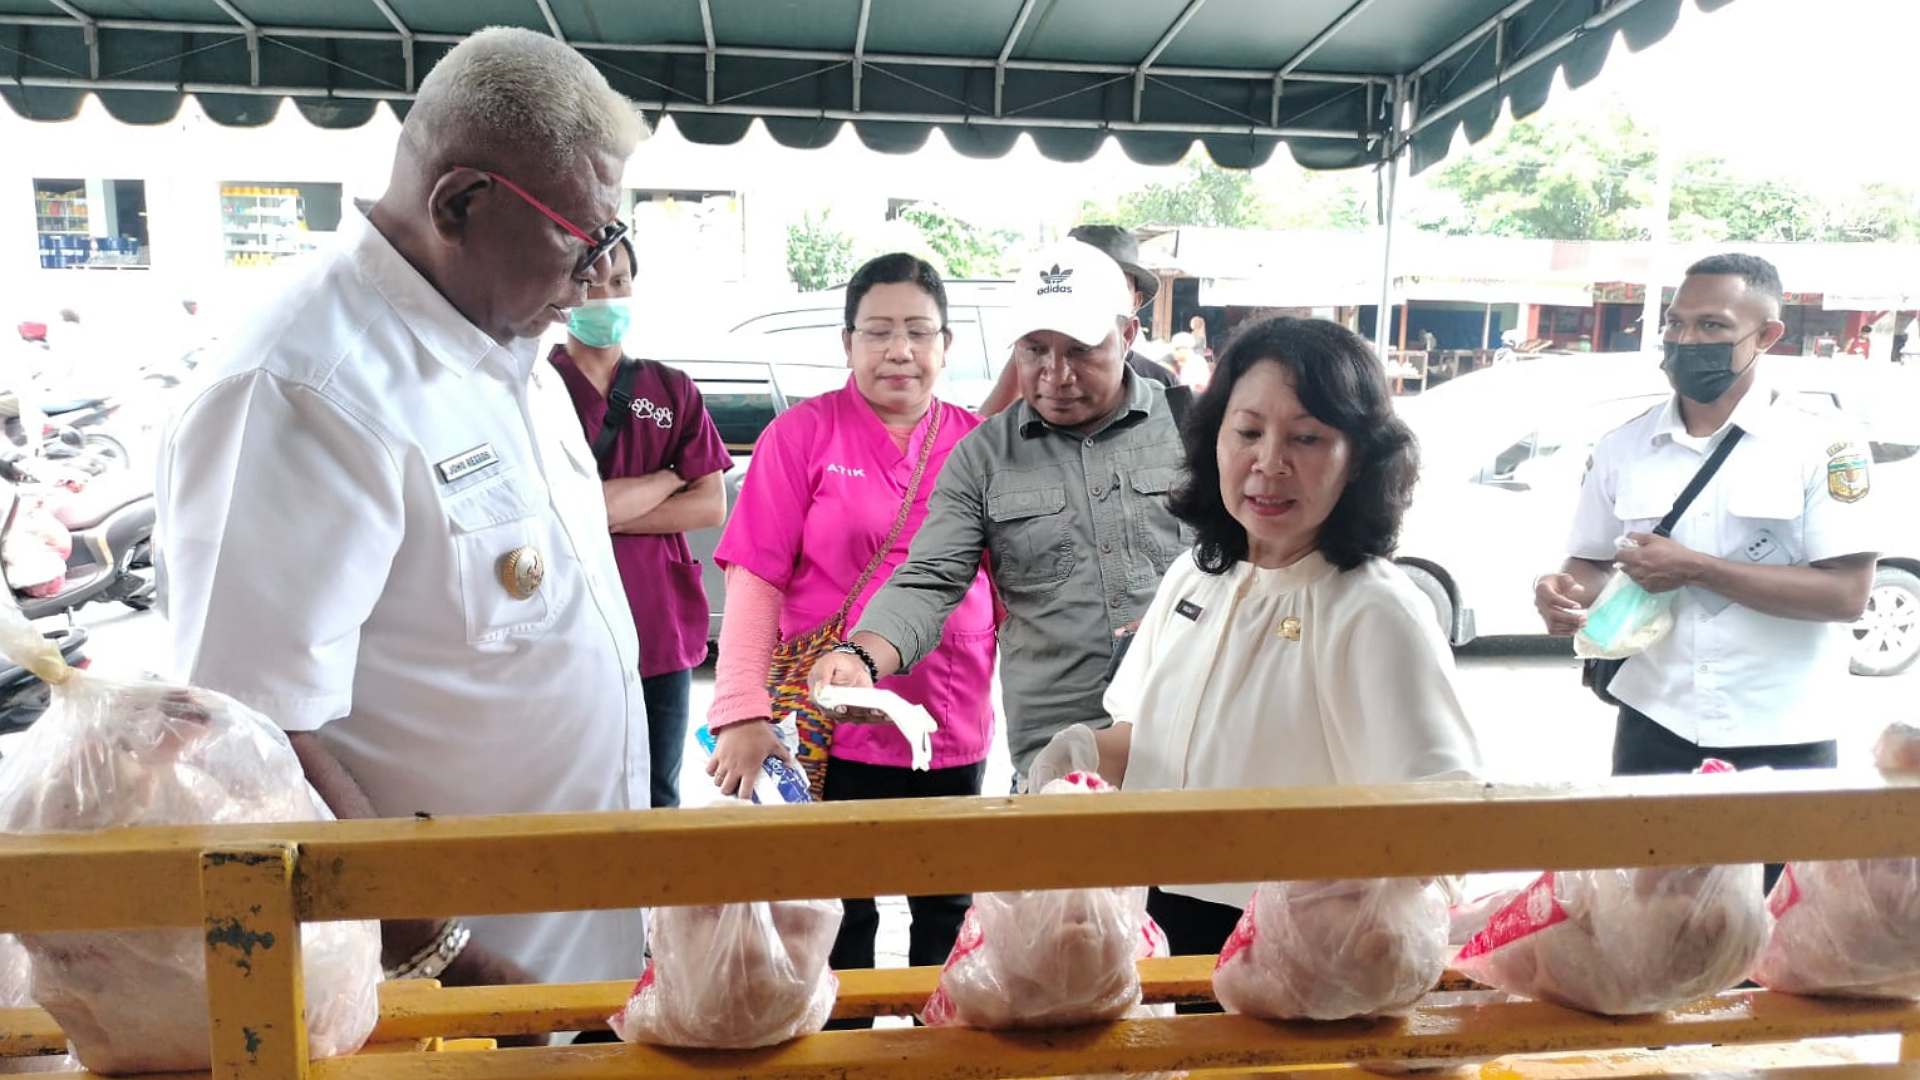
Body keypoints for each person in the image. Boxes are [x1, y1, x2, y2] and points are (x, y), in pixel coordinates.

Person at [156, 27, 651, 989]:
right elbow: (243, 741)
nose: (596, 275)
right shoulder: (303, 386)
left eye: (612, 238)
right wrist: (437, 952)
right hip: (443, 993)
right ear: (461, 202)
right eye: (581, 236)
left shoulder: (513, 358)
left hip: (575, 959)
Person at [1025, 315, 1482, 960]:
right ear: (1215, 440)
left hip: (1288, 946)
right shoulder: (1196, 575)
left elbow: (1445, 820)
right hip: (1149, 917)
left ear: (1357, 461)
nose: (1270, 463)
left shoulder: (1374, 609)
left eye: (1308, 438)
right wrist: (1083, 755)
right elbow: (1145, 734)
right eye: (1247, 432)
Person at [703, 253, 998, 1009]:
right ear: (847, 343)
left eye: (918, 332)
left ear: (946, 346)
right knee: (837, 916)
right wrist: (740, 708)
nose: (900, 350)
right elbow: (755, 576)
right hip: (831, 731)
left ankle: (945, 1061)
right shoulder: (803, 436)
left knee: (947, 912)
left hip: (949, 722)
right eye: (878, 332)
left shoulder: (980, 444)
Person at [810, 238, 1188, 781]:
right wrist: (864, 657)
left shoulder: (1193, 431)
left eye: (1080, 349)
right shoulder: (983, 457)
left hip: (1191, 727)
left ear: (1127, 335)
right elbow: (929, 578)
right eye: (1034, 350)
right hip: (1058, 754)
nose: (1055, 375)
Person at [1534, 253, 1877, 784]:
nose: (1686, 340)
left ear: (1766, 336)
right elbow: (1591, 561)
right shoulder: (1623, 445)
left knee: (1770, 872)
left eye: (1712, 325)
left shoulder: (1824, 443)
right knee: (1645, 869)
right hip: (1653, 718)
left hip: (1782, 731)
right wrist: (1562, 591)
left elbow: (1847, 594)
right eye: (1675, 323)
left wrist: (1699, 569)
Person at [548, 234, 732, 809]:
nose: (606, 296)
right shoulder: (535, 387)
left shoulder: (671, 389)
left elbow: (710, 506)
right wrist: (668, 477)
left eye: (620, 282)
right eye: (591, 282)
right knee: (569, 794)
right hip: (564, 633)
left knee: (657, 796)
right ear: (564, 290)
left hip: (660, 634)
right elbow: (555, 508)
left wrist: (594, 512)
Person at [978, 224, 1173, 415]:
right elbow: (985, 424)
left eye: (1112, 284)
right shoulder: (1028, 364)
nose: (1057, 378)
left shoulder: (1163, 382)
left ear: (1135, 301)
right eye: (1082, 281)